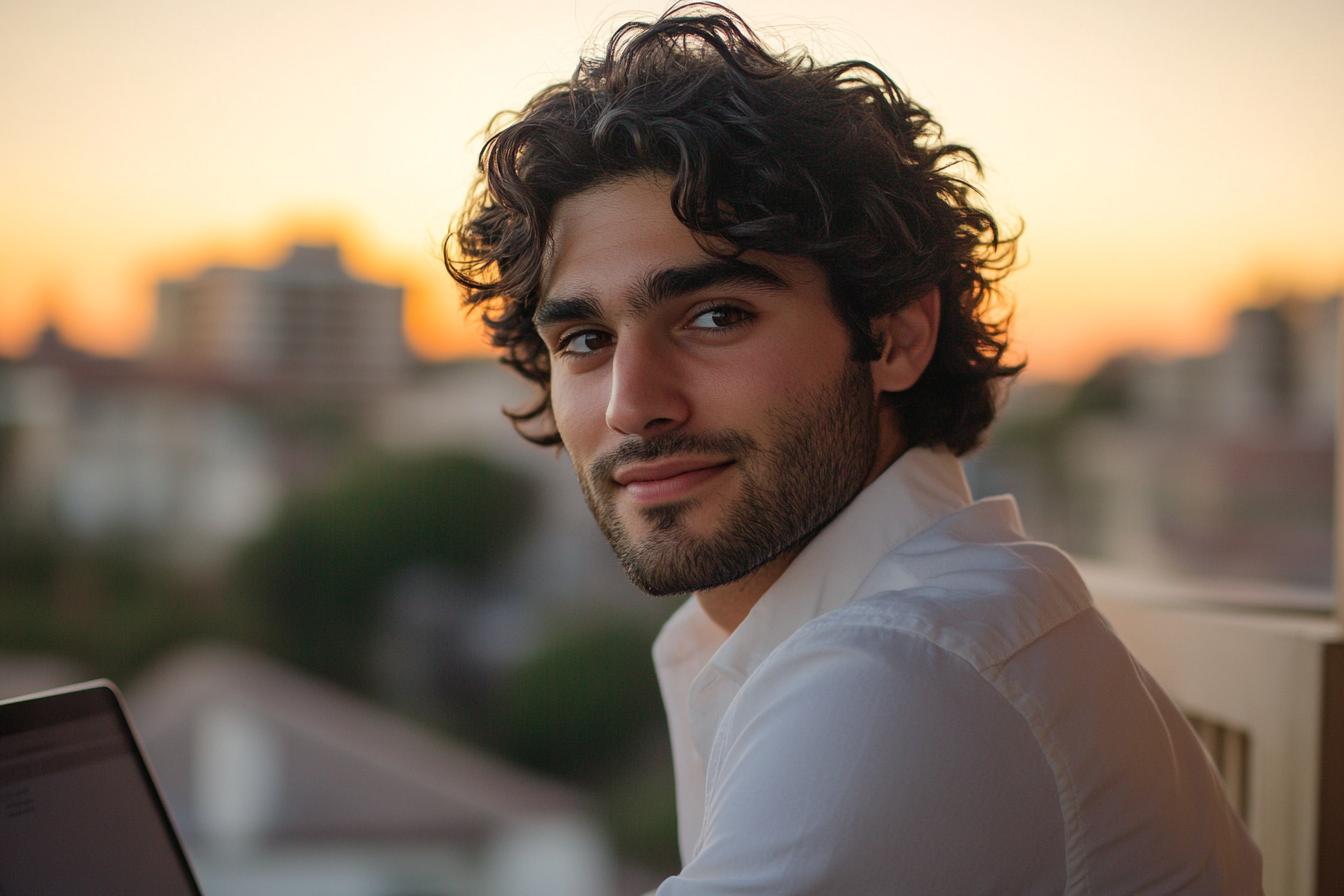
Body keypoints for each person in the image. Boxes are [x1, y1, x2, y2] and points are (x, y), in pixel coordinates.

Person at [444, 4, 1262, 892]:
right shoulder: (876, 626)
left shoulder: (901, 673)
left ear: (898, 337)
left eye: (716, 316)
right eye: (585, 342)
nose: (634, 405)